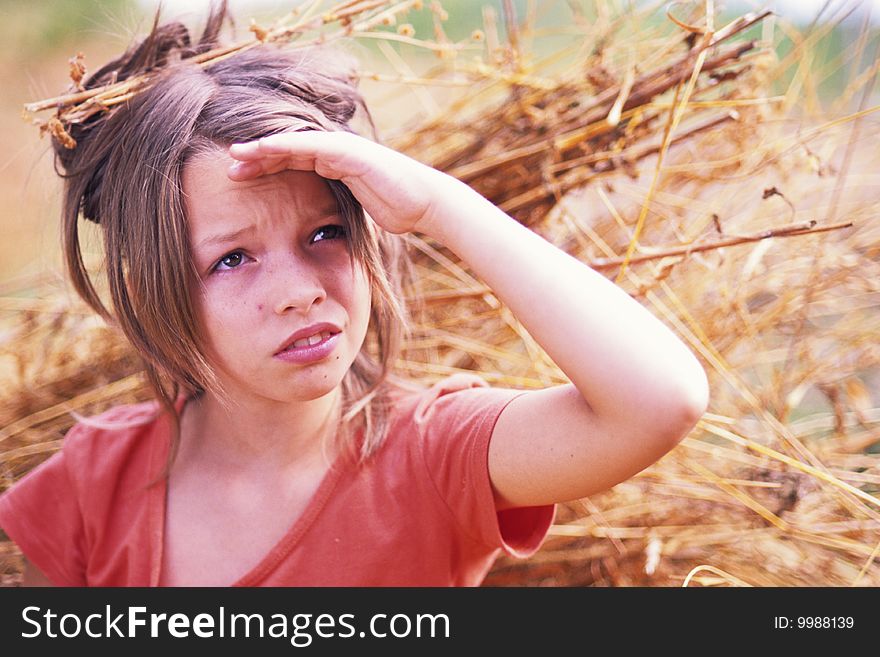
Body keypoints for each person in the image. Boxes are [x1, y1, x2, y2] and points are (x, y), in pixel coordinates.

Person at [0, 3, 709, 586]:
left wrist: (436, 204)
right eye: (233, 258)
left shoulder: (432, 454)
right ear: (150, 293)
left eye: (325, 233)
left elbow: (660, 402)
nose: (299, 292)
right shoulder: (91, 487)